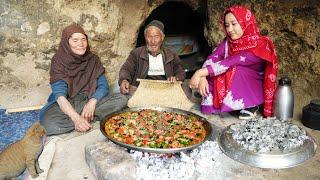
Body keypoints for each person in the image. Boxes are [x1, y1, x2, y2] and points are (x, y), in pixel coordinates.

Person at [189, 5, 278, 119]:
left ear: (245, 22)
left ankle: (250, 105)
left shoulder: (260, 44)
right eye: (227, 25)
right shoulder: (228, 42)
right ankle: (226, 105)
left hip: (249, 83)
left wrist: (200, 73)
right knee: (214, 73)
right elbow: (213, 58)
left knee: (235, 69)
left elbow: (233, 61)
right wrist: (203, 78)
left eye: (234, 24)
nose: (230, 29)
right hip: (231, 74)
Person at [40, 24, 127, 135]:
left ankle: (85, 116)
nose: (80, 44)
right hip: (68, 102)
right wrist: (76, 118)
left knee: (121, 99)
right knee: (47, 124)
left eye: (83, 40)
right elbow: (60, 96)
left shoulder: (92, 59)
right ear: (67, 43)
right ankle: (86, 118)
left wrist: (92, 102)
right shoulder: (58, 61)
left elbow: (103, 86)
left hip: (89, 98)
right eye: (75, 40)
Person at [118, 20, 190, 97]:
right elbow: (126, 69)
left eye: (156, 37)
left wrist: (176, 78)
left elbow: (180, 71)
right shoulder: (136, 53)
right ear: (145, 38)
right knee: (126, 91)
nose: (153, 41)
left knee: (186, 90)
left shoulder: (171, 54)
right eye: (149, 37)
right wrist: (124, 80)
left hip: (166, 89)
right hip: (142, 89)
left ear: (162, 38)